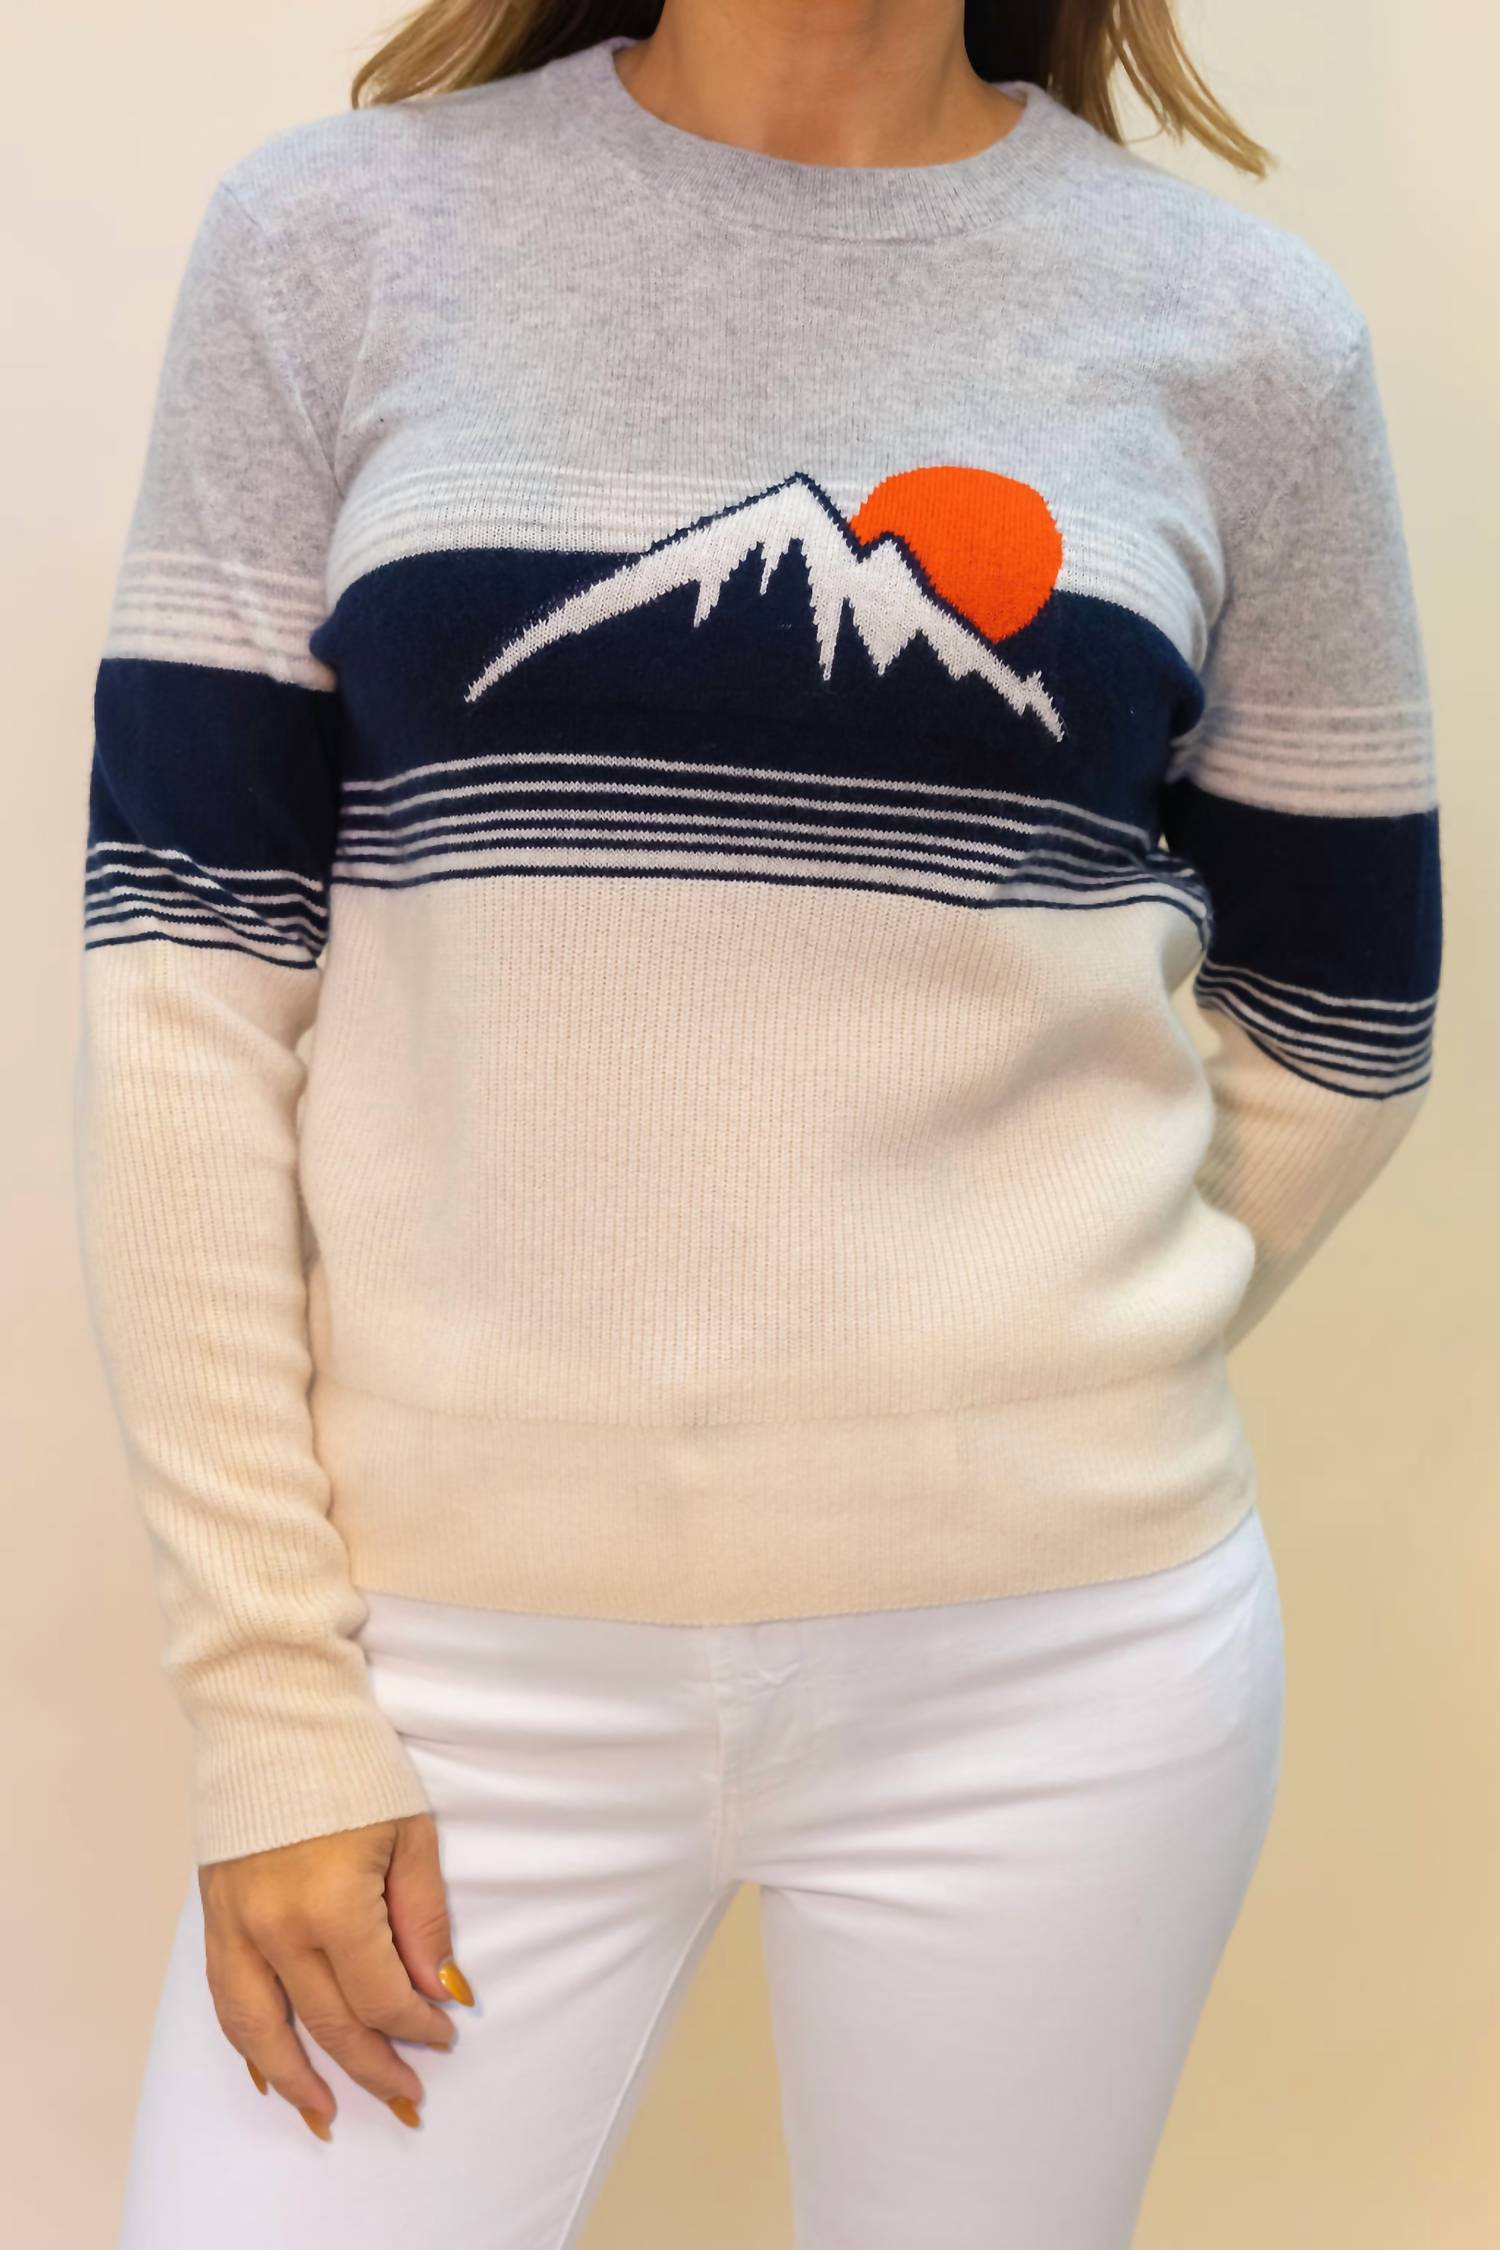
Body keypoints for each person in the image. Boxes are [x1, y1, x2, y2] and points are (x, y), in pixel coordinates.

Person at [74, 2, 1443, 2243]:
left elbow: (1345, 1011)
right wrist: (267, 1703)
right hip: (442, 1665)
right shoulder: (337, 244)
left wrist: (1040, 1343)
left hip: (1059, 1669)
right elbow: (186, 991)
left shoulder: (1242, 336)